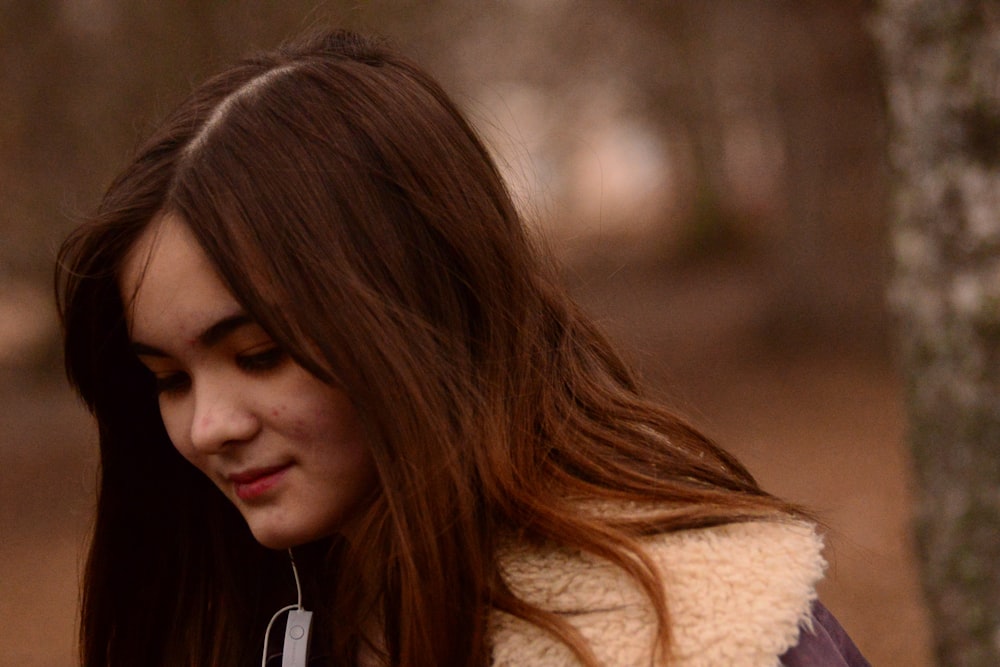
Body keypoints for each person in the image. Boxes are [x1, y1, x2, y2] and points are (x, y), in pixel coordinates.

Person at [56, 29, 869, 667]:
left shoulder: (706, 633)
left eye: (259, 353)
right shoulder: (236, 606)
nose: (208, 427)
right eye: (167, 379)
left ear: (417, 313)